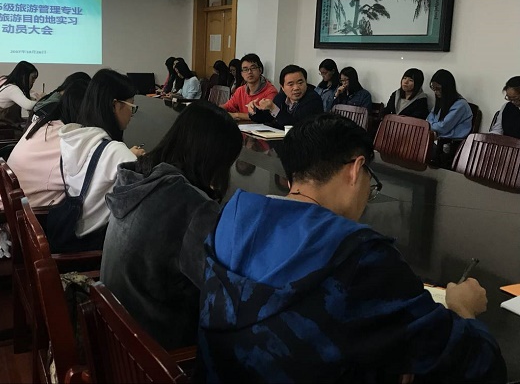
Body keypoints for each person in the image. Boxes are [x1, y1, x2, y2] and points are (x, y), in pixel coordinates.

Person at [197, 113, 506, 383]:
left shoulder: (232, 217)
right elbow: (479, 365)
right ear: (356, 169)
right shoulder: (361, 256)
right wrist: (464, 309)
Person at [101, 101, 242, 350]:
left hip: (115, 336)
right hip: (159, 351)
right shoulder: (191, 204)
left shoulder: (137, 177)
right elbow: (221, 290)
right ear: (215, 158)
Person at [57, 69, 145, 252]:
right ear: (115, 105)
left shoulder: (75, 138)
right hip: (91, 249)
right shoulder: (116, 152)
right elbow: (144, 202)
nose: (132, 114)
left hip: (68, 235)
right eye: (132, 106)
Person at [8, 73, 90, 206]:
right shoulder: (65, 140)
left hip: (14, 201)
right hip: (30, 213)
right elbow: (85, 180)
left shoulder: (45, 124)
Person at [248, 64, 323, 128]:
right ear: (282, 87)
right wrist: (254, 110)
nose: (296, 88)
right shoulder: (281, 97)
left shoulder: (313, 100)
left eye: (300, 83)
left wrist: (273, 108)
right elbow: (267, 117)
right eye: (291, 84)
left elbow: (296, 125)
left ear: (306, 82)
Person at [0, 61, 40, 137]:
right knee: (36, 135)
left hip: (0, 130)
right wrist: (43, 100)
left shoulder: (6, 84)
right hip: (2, 132)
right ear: (23, 76)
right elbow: (28, 106)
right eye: (33, 78)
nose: (33, 82)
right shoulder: (12, 89)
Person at [221, 53, 277, 121]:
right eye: (245, 69)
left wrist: (237, 115)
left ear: (260, 70)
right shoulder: (240, 90)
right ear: (241, 74)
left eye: (253, 68)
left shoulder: (270, 91)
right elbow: (227, 106)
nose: (249, 72)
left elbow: (266, 116)